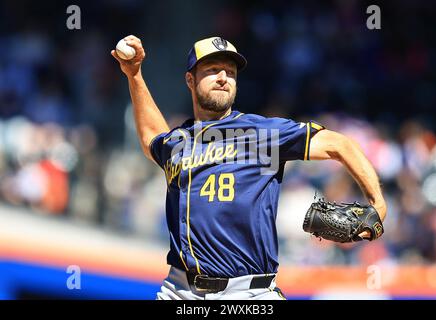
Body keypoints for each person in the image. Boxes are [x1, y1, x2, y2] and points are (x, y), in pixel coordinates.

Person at [111, 35, 387, 300]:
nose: (223, 78)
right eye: (213, 69)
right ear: (190, 79)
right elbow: (152, 140)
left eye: (230, 72)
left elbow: (340, 145)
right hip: (179, 290)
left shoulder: (262, 133)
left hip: (247, 293)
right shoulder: (178, 142)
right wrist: (134, 75)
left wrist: (378, 204)